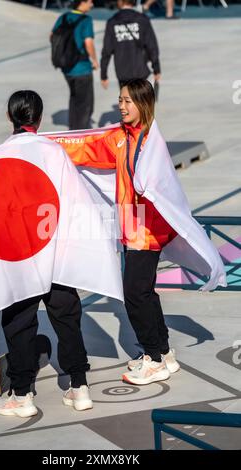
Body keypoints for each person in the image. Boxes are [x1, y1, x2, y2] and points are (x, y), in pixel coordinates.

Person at [47, 78, 226, 385]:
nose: (121, 105)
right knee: (143, 292)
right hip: (133, 228)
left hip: (148, 230)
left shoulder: (150, 141)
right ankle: (164, 352)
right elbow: (86, 147)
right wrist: (46, 144)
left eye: (128, 101)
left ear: (143, 104)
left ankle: (153, 358)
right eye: (120, 100)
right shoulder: (120, 137)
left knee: (133, 294)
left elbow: (158, 182)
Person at [0, 90, 95, 417]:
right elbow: (76, 200)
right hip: (55, 251)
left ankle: (22, 395)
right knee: (67, 318)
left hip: (21, 255)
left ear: (11, 117)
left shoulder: (1, 154)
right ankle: (79, 387)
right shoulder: (55, 151)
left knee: (18, 321)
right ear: (38, 118)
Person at [51, 0, 99, 130]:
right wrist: (94, 60)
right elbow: (88, 43)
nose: (92, 4)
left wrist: (64, 53)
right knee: (86, 105)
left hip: (66, 69)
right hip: (82, 68)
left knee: (74, 98)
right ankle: (80, 135)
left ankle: (73, 129)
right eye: (90, 1)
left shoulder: (63, 17)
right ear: (82, 2)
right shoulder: (86, 20)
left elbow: (52, 36)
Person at [100, 0, 161, 89]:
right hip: (140, 70)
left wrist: (103, 75)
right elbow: (152, 47)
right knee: (140, 100)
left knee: (126, 100)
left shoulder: (112, 22)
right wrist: (156, 68)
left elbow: (106, 51)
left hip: (122, 72)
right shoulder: (142, 19)